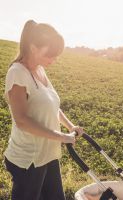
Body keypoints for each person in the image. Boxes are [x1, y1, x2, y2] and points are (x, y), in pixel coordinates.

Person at [3, 19, 83, 200]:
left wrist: (70, 127)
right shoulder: (17, 73)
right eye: (50, 54)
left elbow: (52, 105)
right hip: (29, 160)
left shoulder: (40, 70)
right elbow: (22, 121)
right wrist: (62, 137)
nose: (53, 60)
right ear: (33, 47)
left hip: (48, 154)